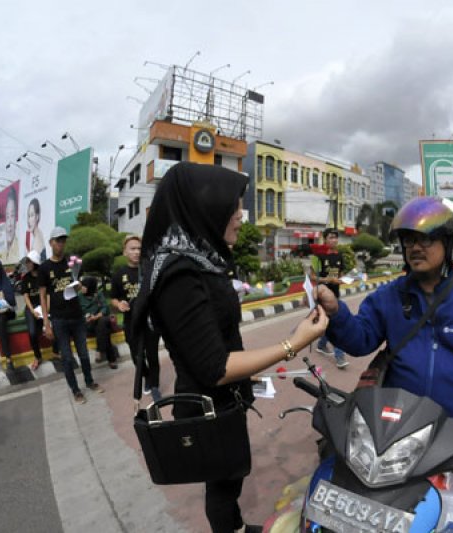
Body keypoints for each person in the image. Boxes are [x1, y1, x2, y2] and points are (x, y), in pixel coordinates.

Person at [133, 162, 328, 533]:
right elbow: (214, 367)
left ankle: (236, 526)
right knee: (222, 482)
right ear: (205, 208)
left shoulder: (200, 259)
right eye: (234, 208)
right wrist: (293, 343)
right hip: (208, 402)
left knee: (230, 476)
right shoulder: (179, 274)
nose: (241, 216)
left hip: (225, 398)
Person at [315, 196, 453, 495]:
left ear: (451, 243)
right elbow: (360, 340)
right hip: (397, 434)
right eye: (409, 239)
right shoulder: (388, 297)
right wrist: (336, 313)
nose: (415, 246)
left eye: (427, 238)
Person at [39, 226, 103, 404]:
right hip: (59, 319)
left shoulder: (72, 263)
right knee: (67, 357)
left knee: (83, 353)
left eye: (63, 240)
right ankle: (75, 390)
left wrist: (80, 287)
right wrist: (47, 323)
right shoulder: (45, 268)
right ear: (51, 243)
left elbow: (80, 288)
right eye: (58, 240)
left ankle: (89, 381)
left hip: (77, 316)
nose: (61, 244)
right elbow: (43, 296)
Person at [111, 235, 161, 398]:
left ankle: (154, 386)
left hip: (150, 321)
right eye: (132, 248)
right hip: (131, 322)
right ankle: (146, 376)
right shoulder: (119, 274)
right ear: (125, 252)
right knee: (136, 356)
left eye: (139, 248)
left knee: (153, 355)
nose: (136, 252)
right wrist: (119, 305)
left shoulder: (149, 270)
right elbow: (113, 298)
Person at [310, 228, 348, 369]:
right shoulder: (318, 256)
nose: (334, 240)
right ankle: (339, 356)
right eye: (331, 237)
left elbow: (341, 275)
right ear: (325, 239)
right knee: (336, 325)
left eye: (336, 238)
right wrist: (327, 279)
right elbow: (312, 277)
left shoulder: (339, 256)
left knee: (329, 324)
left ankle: (321, 345)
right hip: (322, 297)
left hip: (336, 295)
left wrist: (344, 280)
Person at [78, 276, 119, 369]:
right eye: (82, 286)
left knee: (102, 323)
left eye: (84, 286)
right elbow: (78, 312)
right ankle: (111, 359)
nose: (82, 288)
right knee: (104, 329)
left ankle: (99, 350)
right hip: (89, 324)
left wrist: (96, 317)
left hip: (100, 320)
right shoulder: (79, 297)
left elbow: (105, 308)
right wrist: (87, 318)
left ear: (90, 287)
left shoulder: (98, 294)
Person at [20, 250, 46, 370]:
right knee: (32, 332)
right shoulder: (26, 278)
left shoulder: (43, 275)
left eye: (29, 262)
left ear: (35, 262)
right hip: (31, 308)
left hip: (44, 306)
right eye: (27, 262)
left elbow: (48, 294)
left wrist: (46, 309)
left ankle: (57, 351)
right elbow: (26, 296)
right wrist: (32, 311)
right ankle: (37, 356)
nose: (27, 264)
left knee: (53, 327)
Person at [0, 187, 20, 265]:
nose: (10, 224)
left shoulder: (19, 250)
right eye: (7, 217)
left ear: (16, 221)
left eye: (12, 216)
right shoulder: (4, 252)